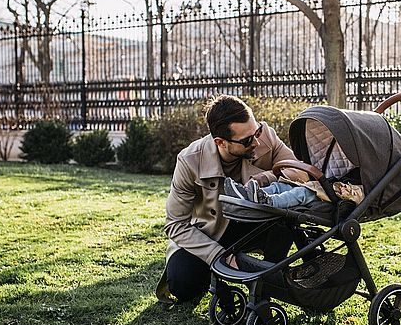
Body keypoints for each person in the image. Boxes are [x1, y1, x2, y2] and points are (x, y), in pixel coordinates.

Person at [155, 94, 307, 303]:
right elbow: (175, 224)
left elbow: (301, 172)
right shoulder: (190, 160)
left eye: (256, 132)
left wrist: (265, 178)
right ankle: (218, 274)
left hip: (256, 222)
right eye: (246, 140)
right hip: (210, 233)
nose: (256, 142)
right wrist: (216, 255)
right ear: (221, 142)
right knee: (183, 286)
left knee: (285, 219)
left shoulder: (266, 137)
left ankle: (269, 278)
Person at [223, 176, 364, 209]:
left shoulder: (362, 191)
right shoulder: (343, 181)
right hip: (316, 188)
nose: (346, 187)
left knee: (300, 193)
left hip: (324, 199)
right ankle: (248, 193)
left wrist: (347, 193)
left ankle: (268, 201)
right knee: (280, 186)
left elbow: (357, 200)